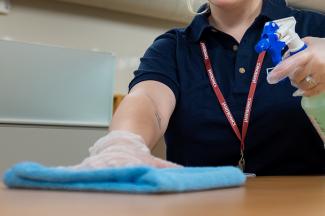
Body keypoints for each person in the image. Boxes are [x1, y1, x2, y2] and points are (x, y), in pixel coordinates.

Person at [74, 0, 325, 175]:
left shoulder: (316, 29)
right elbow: (148, 99)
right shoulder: (173, 48)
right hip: (198, 205)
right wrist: (123, 143)